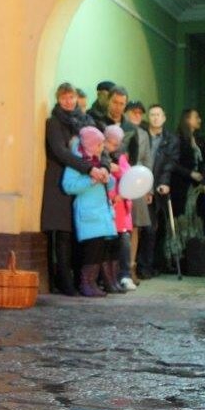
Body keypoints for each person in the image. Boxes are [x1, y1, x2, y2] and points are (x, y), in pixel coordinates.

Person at [41, 83, 105, 296]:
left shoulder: (83, 121)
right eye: (64, 98)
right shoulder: (54, 123)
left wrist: (100, 166)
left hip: (80, 180)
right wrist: (88, 168)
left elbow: (94, 146)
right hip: (59, 181)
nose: (68, 102)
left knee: (80, 232)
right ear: (58, 99)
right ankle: (65, 283)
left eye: (71, 97)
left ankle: (82, 281)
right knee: (63, 233)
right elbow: (61, 151)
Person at [62, 126, 118, 297]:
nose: (102, 147)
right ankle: (87, 283)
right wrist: (90, 181)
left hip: (101, 213)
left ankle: (96, 282)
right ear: (90, 145)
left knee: (102, 247)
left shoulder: (98, 160)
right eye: (100, 144)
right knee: (92, 250)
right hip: (88, 214)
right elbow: (68, 186)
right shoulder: (77, 163)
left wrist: (107, 179)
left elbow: (111, 185)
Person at [141, 104, 179, 278]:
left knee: (152, 228)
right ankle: (141, 265)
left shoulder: (171, 140)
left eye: (158, 114)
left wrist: (164, 183)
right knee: (142, 228)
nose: (155, 117)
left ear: (164, 118)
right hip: (139, 185)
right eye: (152, 114)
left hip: (157, 187)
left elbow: (170, 164)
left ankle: (148, 265)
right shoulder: (141, 135)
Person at [124, 101, 153, 282]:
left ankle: (131, 266)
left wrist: (148, 188)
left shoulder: (143, 134)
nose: (136, 115)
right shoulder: (120, 130)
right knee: (121, 227)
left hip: (137, 182)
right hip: (120, 180)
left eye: (139, 113)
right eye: (133, 112)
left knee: (135, 226)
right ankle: (117, 267)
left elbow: (148, 161)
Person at [104, 124, 134, 292]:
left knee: (124, 242)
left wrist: (123, 193)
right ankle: (110, 277)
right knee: (109, 244)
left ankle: (124, 275)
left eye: (117, 143)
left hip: (121, 207)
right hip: (109, 205)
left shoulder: (121, 157)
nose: (113, 146)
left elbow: (129, 177)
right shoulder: (100, 156)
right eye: (110, 142)